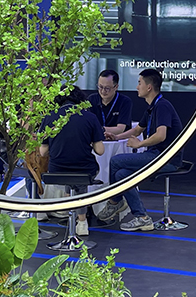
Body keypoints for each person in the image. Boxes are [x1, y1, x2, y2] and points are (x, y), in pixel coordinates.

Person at [97, 68, 183, 232]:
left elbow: (161, 135)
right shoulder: (152, 107)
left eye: (139, 83)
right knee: (122, 175)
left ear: (149, 87)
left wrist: (139, 144)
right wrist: (117, 137)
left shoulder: (162, 106)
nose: (137, 87)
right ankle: (142, 218)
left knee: (115, 161)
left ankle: (114, 202)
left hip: (165, 158)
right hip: (155, 155)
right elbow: (137, 130)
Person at [39, 86, 105, 236]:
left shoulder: (50, 117)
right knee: (80, 177)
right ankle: (82, 221)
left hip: (56, 171)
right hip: (85, 170)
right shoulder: (90, 117)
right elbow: (100, 150)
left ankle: (70, 207)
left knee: (70, 177)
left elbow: (42, 152)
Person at [89, 69, 133, 135]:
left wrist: (99, 129)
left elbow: (120, 129)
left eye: (107, 88)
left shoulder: (124, 101)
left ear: (116, 87)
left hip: (119, 139)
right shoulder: (92, 99)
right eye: (100, 87)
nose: (103, 91)